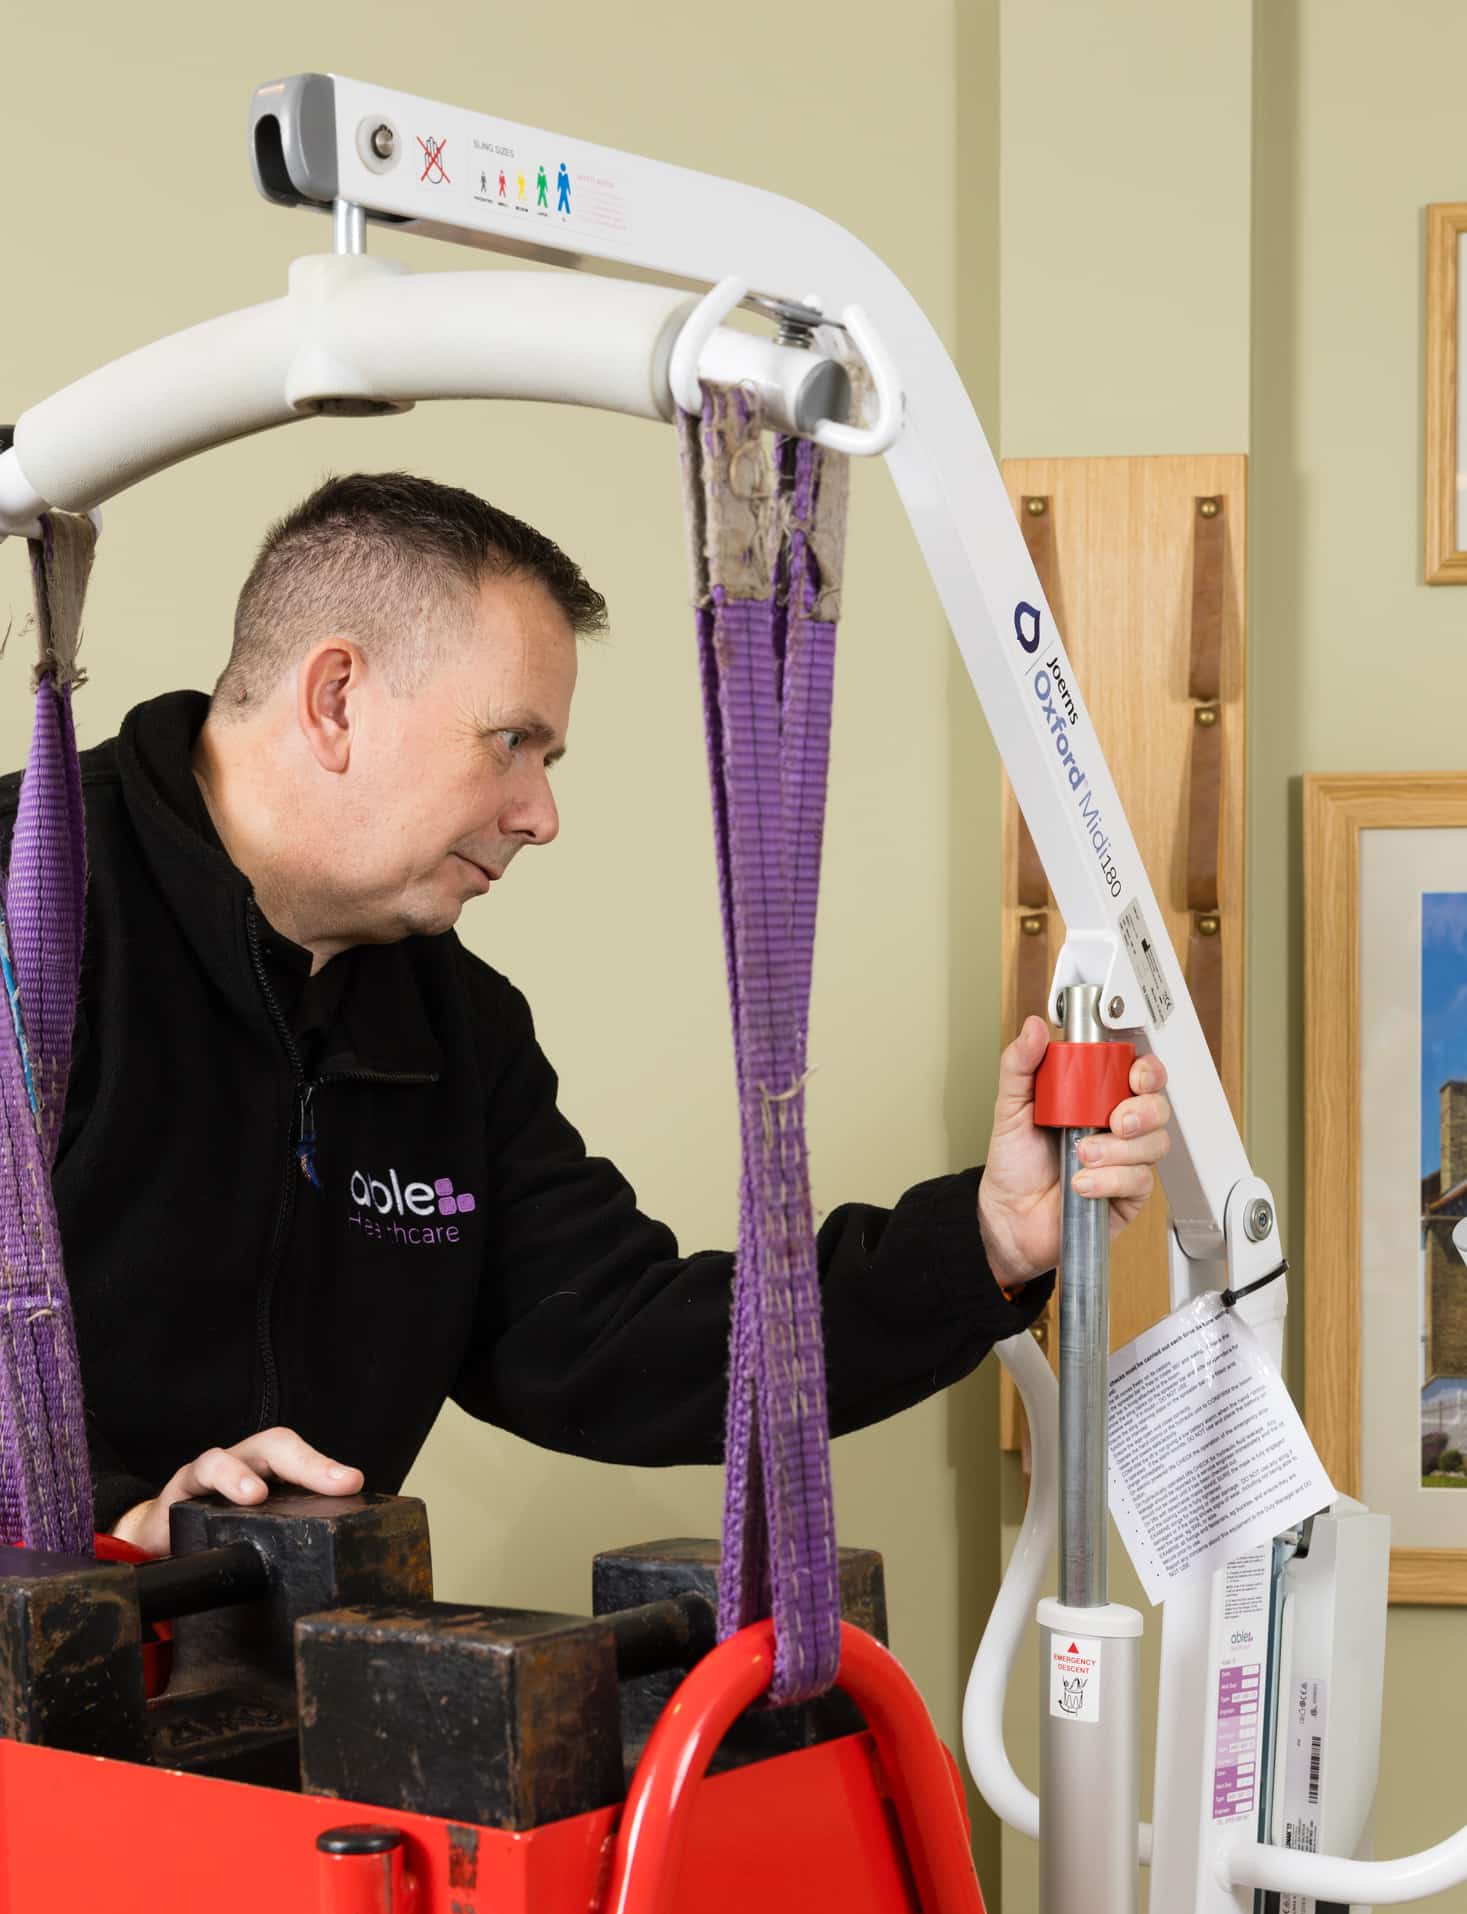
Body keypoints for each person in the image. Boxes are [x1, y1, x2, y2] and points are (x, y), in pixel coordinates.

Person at [14, 473, 1170, 1556]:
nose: (541, 813)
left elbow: (613, 1337)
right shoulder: (25, 916)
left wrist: (979, 1241)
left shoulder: (451, 1026)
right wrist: (120, 1524)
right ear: (335, 700)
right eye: (512, 741)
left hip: (260, 1710)